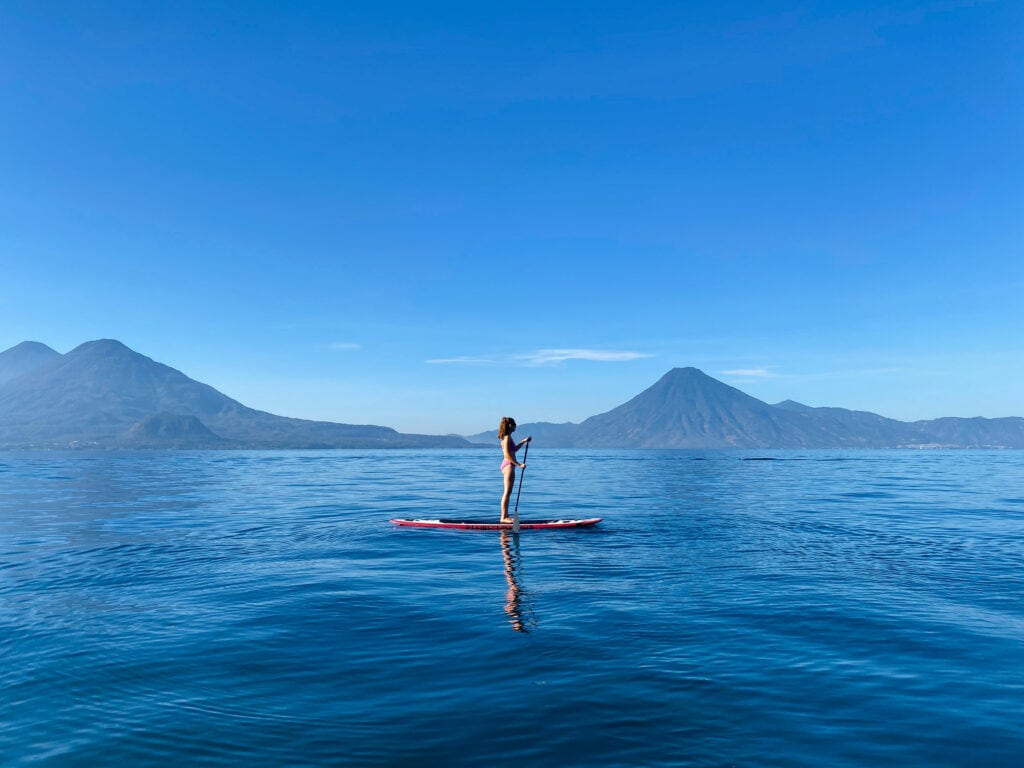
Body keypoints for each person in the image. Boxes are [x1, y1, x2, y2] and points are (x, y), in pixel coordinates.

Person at [498, 416, 531, 523]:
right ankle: (503, 517)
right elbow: (507, 455)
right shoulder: (507, 437)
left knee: (508, 492)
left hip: (508, 465)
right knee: (507, 492)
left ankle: (506, 516)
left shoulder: (508, 437)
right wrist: (519, 465)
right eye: (514, 424)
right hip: (508, 465)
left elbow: (514, 450)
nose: (516, 426)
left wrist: (523, 441)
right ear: (510, 426)